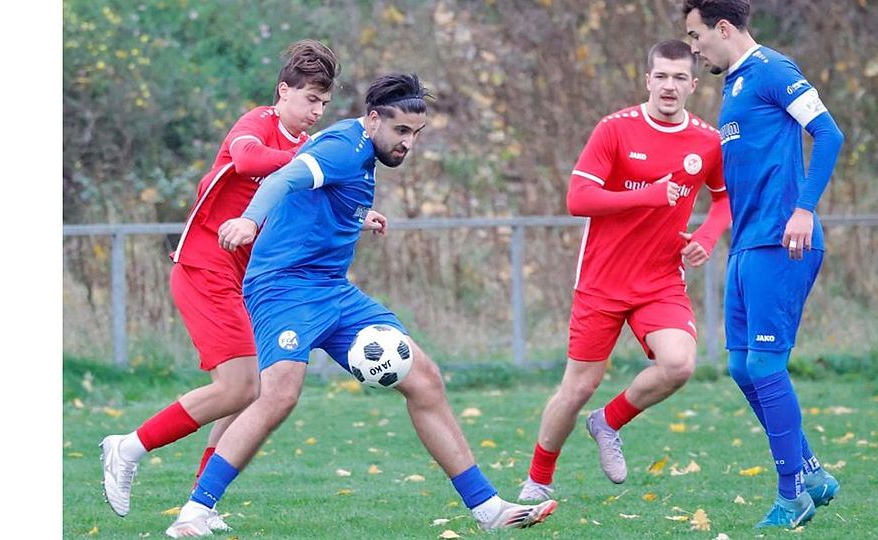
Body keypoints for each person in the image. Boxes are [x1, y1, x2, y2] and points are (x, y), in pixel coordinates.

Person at [162, 73, 558, 537]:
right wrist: (249, 221)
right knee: (279, 395)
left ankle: (488, 508)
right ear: (373, 120)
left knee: (426, 379)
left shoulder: (363, 154)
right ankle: (194, 513)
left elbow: (328, 199)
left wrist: (357, 215)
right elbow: (286, 178)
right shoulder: (342, 147)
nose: (408, 143)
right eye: (401, 131)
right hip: (283, 287)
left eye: (416, 134)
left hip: (333, 290)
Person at [99, 39, 342, 530]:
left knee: (248, 391)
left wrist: (360, 211)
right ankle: (127, 448)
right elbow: (249, 161)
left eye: (324, 103)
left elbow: (315, 207)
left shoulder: (306, 151)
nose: (317, 111)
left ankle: (199, 505)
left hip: (245, 279)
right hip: (204, 266)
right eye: (310, 99)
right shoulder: (257, 123)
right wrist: (308, 167)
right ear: (283, 92)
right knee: (239, 386)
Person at [517, 40, 731, 504]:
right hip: (602, 282)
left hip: (660, 281)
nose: (669, 86)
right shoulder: (614, 130)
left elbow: (723, 199)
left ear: (693, 85)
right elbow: (578, 200)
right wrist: (646, 195)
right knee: (577, 387)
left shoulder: (707, 142)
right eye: (662, 76)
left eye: (679, 78)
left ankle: (608, 421)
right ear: (647, 79)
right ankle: (537, 480)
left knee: (679, 364)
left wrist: (707, 238)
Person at [682, 0, 845, 529]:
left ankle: (791, 494)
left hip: (783, 240)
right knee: (739, 366)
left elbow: (829, 133)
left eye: (695, 35)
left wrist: (803, 208)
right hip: (748, 244)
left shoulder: (774, 70)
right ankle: (813, 474)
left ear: (722, 28)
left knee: (766, 366)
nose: (693, 47)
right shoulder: (732, 85)